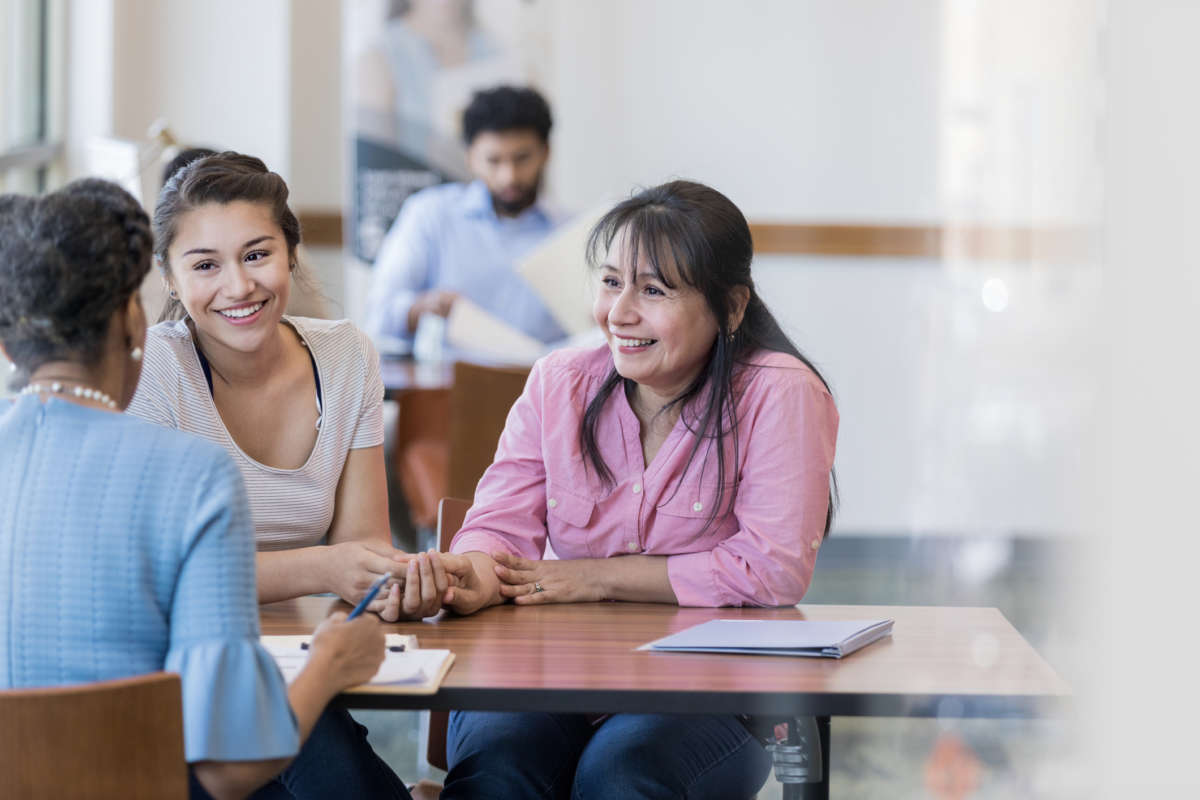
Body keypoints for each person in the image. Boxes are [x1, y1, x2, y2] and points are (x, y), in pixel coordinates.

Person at [0, 179, 410, 800]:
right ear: (134, 321)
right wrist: (331, 662)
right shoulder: (190, 474)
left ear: (8, 344)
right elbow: (228, 765)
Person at [436, 180, 840, 800]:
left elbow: (772, 569)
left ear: (730, 308)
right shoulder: (558, 382)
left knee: (621, 778)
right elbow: (498, 527)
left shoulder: (778, 392)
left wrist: (597, 577)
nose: (619, 313)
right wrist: (471, 572)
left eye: (653, 290)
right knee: (499, 770)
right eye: (610, 282)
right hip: (553, 672)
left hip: (707, 686)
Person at [128, 152, 453, 621]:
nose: (239, 286)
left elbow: (362, 547)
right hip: (175, 656)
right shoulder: (153, 367)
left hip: (306, 648)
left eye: (257, 255)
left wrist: (396, 584)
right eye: (205, 266)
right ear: (169, 279)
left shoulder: (347, 355)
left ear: (292, 253)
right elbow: (164, 572)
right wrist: (325, 568)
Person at [365, 84, 567, 346]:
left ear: (545, 153)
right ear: (471, 158)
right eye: (494, 161)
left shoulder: (572, 232)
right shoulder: (430, 215)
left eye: (522, 158)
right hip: (451, 383)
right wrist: (423, 307)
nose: (510, 176)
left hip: (547, 382)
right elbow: (378, 316)